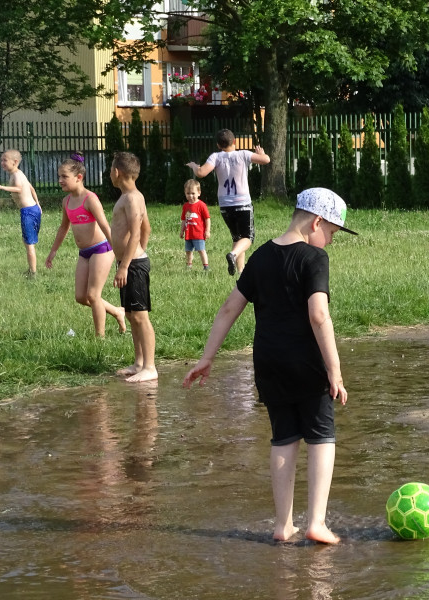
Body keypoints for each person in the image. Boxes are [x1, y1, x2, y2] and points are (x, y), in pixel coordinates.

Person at [183, 187, 357, 545]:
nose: (331, 241)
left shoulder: (260, 256)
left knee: (284, 438)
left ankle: (283, 525)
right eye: (333, 233)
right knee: (322, 436)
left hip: (268, 362)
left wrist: (207, 357)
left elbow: (230, 308)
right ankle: (317, 523)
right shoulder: (313, 258)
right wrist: (335, 370)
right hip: (308, 363)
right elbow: (319, 314)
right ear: (316, 222)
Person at [45, 153, 127, 338]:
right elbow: (63, 228)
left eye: (64, 177)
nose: (60, 180)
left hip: (102, 249)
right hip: (84, 253)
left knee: (93, 295)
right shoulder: (66, 201)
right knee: (81, 297)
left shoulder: (90, 199)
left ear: (79, 177)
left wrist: (118, 253)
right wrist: (53, 252)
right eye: (59, 176)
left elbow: (106, 226)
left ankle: (100, 338)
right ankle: (116, 311)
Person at [187, 129, 270, 276]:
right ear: (235, 142)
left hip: (225, 205)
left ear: (218, 145)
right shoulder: (243, 154)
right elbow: (266, 160)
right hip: (242, 202)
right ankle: (232, 255)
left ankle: (240, 271)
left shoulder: (216, 157)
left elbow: (201, 173)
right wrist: (261, 153)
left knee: (237, 237)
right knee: (248, 237)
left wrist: (194, 165)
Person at [111, 151, 157, 382]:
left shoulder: (132, 198)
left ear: (117, 172)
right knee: (130, 314)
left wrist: (126, 264)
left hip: (133, 266)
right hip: (130, 263)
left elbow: (137, 231)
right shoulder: (129, 197)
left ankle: (150, 367)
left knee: (140, 316)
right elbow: (146, 228)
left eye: (111, 169)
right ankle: (139, 362)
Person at [0, 149, 42, 277]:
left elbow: (20, 188)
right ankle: (31, 270)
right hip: (33, 209)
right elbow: (30, 187)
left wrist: (1, 187)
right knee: (27, 241)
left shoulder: (16, 175)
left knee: (29, 243)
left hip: (28, 212)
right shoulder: (19, 173)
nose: (2, 163)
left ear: (15, 162)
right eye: (1, 160)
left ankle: (33, 273)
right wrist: (38, 204)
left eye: (5, 160)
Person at [179, 178, 211, 271]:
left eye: (193, 193)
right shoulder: (186, 206)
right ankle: (189, 266)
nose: (190, 196)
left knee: (201, 250)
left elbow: (207, 219)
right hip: (189, 234)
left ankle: (206, 267)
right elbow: (184, 220)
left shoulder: (201, 205)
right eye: (188, 193)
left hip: (199, 234)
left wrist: (207, 231)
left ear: (199, 193)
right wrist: (182, 231)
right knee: (188, 251)